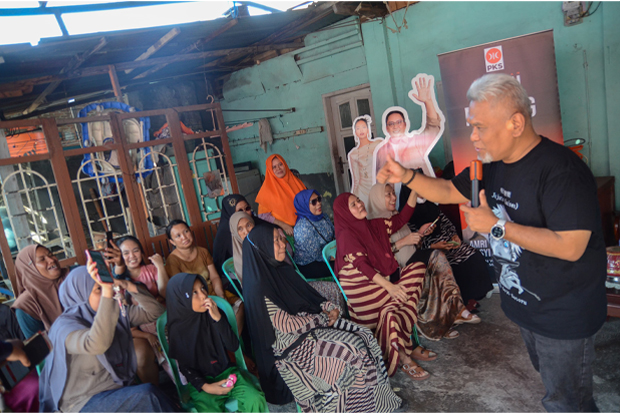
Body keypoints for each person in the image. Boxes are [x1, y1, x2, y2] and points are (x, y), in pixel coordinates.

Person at [376, 73, 606, 412]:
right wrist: (407, 176)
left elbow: (570, 246)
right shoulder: (491, 166)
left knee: (567, 403)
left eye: (480, 127)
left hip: (562, 315)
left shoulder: (561, 171)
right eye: (472, 126)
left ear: (515, 123)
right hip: (527, 308)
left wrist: (498, 227)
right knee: (555, 388)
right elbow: (445, 191)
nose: (473, 136)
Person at [242, 224, 402, 411]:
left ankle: (381, 401)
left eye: (280, 238)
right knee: (352, 351)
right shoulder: (258, 287)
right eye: (275, 241)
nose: (282, 244)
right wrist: (324, 319)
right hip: (294, 352)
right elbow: (287, 326)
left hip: (312, 330)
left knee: (365, 334)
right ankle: (360, 407)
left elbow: (311, 296)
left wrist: (329, 307)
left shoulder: (281, 270)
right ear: (262, 247)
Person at [38, 265, 177, 412]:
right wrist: (107, 293)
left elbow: (156, 313)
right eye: (99, 289)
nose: (109, 293)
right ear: (81, 293)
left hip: (116, 391)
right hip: (82, 403)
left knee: (150, 398)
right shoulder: (64, 327)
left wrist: (129, 286)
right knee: (148, 395)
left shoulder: (113, 313)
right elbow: (96, 344)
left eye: (107, 287)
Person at [333, 191, 435, 381]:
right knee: (399, 298)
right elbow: (362, 267)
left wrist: (413, 190)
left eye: (358, 200)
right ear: (344, 213)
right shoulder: (346, 234)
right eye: (353, 205)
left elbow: (401, 219)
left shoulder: (372, 226)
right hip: (362, 292)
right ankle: (404, 354)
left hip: (379, 284)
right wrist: (390, 287)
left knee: (417, 269)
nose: (359, 205)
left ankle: (398, 332)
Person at [367, 183, 480, 340]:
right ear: (378, 198)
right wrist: (404, 242)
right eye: (388, 194)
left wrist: (420, 234)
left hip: (413, 258)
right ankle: (455, 310)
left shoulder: (395, 216)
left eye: (393, 193)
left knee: (439, 263)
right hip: (398, 270)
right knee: (437, 256)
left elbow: (412, 245)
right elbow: (378, 255)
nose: (393, 197)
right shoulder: (372, 224)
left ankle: (446, 320)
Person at [166, 273, 268, 412]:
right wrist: (207, 387)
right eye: (194, 292)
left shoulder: (213, 313)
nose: (203, 295)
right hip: (202, 383)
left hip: (227, 372)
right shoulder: (177, 330)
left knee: (255, 399)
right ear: (181, 299)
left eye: (202, 288)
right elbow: (186, 368)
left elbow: (233, 345)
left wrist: (218, 319)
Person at [399, 185, 494, 305]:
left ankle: (473, 296)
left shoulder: (431, 206)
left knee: (473, 254)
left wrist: (454, 237)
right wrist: (431, 243)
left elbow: (446, 222)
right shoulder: (405, 215)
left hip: (447, 242)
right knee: (453, 264)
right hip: (430, 249)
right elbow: (413, 243)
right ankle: (459, 303)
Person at [231, 211, 345, 310]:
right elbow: (269, 295)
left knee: (333, 291)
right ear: (235, 233)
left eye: (249, 225)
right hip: (283, 300)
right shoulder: (243, 261)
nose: (246, 231)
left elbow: (285, 270)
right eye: (240, 229)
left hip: (290, 288)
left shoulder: (264, 244)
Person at [105, 236, 171, 385]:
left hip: (163, 320)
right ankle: (156, 391)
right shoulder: (118, 280)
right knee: (142, 355)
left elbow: (165, 294)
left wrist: (160, 266)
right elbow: (126, 318)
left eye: (135, 251)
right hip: (140, 330)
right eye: (126, 253)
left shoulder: (150, 270)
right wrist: (147, 335)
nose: (132, 256)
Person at [165, 220, 244, 332]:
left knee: (240, 305)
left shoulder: (202, 251)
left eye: (186, 231)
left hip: (213, 293)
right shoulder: (172, 261)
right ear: (172, 242)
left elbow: (214, 277)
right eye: (178, 236)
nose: (184, 237)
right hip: (196, 301)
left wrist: (220, 295)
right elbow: (182, 292)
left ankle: (234, 343)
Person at [373, 74, 444, 180]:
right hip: (393, 195)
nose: (395, 126)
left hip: (419, 194)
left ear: (405, 125)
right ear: (386, 128)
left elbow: (433, 126)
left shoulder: (416, 142)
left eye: (399, 122)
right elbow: (379, 179)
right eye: (391, 124)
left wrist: (428, 102)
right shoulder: (381, 152)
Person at [13, 244, 68, 339]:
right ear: (29, 269)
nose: (52, 260)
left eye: (51, 255)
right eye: (42, 259)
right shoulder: (26, 305)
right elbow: (41, 348)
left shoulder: (72, 276)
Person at [255, 154, 307, 235]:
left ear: (285, 164)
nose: (278, 168)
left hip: (304, 225)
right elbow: (263, 216)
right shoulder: (266, 190)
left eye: (280, 164)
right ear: (270, 170)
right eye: (274, 167)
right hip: (284, 232)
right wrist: (284, 225)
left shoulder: (296, 182)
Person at [292, 189, 334, 280]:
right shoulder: (302, 228)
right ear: (304, 205)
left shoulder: (323, 217)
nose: (318, 203)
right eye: (313, 202)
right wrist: (334, 257)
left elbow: (334, 234)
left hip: (328, 252)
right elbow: (317, 255)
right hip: (310, 263)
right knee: (341, 265)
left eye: (319, 199)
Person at [348, 115, 383, 206]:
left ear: (368, 130)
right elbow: (356, 179)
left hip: (378, 186)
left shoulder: (378, 144)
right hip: (362, 190)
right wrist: (353, 198)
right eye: (358, 128)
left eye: (364, 127)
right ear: (355, 132)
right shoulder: (353, 154)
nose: (361, 130)